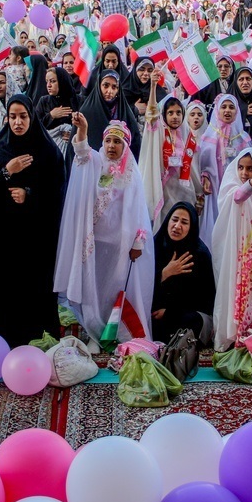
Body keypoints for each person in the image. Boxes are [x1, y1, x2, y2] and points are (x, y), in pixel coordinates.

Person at [54, 115, 154, 345]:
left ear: (125, 146)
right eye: (108, 141)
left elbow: (140, 208)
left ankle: (115, 332)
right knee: (93, 286)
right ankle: (93, 331)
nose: (111, 146)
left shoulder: (130, 172)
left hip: (121, 243)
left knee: (115, 287)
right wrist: (84, 129)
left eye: (117, 142)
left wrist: (138, 241)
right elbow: (81, 152)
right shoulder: (96, 163)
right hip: (95, 242)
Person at [0, 94, 65, 346]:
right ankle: (9, 338)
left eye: (23, 116)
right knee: (5, 287)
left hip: (36, 236)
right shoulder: (1, 146)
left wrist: (29, 195)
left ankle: (40, 339)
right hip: (5, 234)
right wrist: (8, 171)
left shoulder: (47, 150)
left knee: (36, 287)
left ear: (32, 116)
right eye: (13, 116)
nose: (17, 122)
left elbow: (57, 189)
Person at [211, 148, 252, 351]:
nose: (244, 173)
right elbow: (239, 197)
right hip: (235, 254)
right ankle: (235, 336)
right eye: (241, 167)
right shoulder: (232, 187)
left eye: (251, 168)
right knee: (237, 293)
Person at [141, 79, 202, 232]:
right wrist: (153, 87)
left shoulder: (188, 135)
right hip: (165, 190)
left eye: (178, 113)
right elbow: (151, 114)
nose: (175, 117)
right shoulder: (159, 132)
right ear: (164, 115)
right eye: (170, 113)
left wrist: (199, 191)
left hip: (184, 190)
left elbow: (193, 167)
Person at [152, 202, 215, 345]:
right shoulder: (155, 246)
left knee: (191, 321)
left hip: (186, 314)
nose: (177, 226)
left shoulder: (199, 254)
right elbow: (142, 287)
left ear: (191, 227)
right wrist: (164, 273)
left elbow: (204, 298)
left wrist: (170, 312)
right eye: (174, 220)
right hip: (157, 313)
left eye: (184, 222)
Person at [198, 93, 252, 251]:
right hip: (215, 189)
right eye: (223, 107)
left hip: (236, 190)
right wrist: (205, 176)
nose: (227, 111)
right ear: (217, 111)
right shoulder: (209, 136)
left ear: (237, 112)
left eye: (231, 107)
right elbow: (202, 164)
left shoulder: (243, 138)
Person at [79, 69, 142, 159]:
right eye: (106, 85)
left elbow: (135, 145)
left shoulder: (124, 112)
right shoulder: (87, 111)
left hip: (119, 168)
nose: (109, 91)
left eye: (114, 87)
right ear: (98, 86)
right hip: (93, 165)